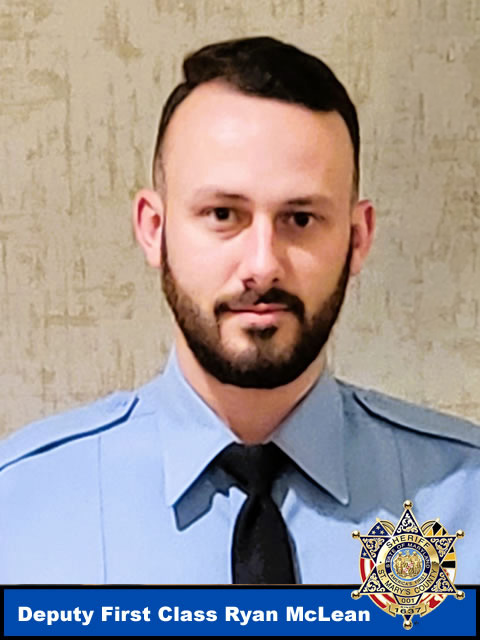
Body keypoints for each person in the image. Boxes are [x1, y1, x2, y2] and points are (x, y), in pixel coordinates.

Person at [1, 36, 479, 585]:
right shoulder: (20, 508)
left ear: (357, 238)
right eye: (223, 214)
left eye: (300, 219)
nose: (262, 265)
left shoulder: (466, 497)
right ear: (154, 229)